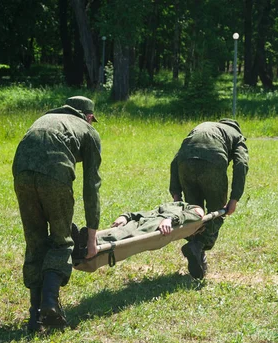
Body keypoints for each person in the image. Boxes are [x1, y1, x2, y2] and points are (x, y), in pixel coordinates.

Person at [12, 96, 101, 331]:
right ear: (89, 117)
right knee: (62, 241)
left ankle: (34, 317)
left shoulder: (45, 119)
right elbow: (91, 187)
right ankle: (50, 304)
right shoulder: (88, 130)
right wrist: (91, 238)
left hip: (21, 173)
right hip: (55, 174)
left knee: (36, 242)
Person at [169, 119, 249, 279]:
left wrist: (176, 192)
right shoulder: (237, 136)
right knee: (216, 213)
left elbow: (175, 161)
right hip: (213, 162)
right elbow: (241, 163)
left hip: (185, 163)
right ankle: (197, 245)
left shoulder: (202, 127)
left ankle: (199, 256)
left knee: (194, 214)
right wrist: (234, 198)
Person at [72, 201, 205, 263]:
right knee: (116, 234)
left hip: (153, 227)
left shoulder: (187, 209)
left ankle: (84, 248)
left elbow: (199, 214)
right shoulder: (166, 206)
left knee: (125, 240)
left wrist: (170, 219)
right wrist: (125, 216)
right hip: (139, 222)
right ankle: (81, 243)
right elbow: (143, 213)